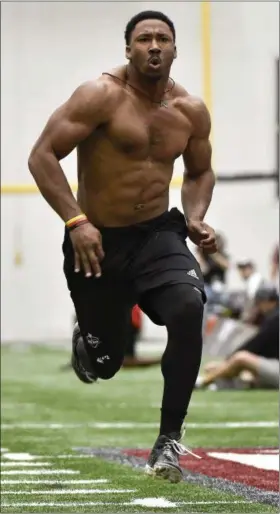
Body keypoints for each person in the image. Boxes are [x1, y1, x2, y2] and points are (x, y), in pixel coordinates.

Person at [28, 10, 217, 483]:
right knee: (107, 364)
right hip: (96, 242)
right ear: (128, 49)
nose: (154, 46)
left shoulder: (190, 111)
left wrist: (194, 217)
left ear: (175, 50)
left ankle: (168, 441)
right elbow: (42, 156)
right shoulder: (100, 96)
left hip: (157, 234)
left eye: (163, 39)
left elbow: (198, 170)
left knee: (188, 306)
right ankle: (89, 346)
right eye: (144, 39)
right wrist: (76, 221)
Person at [196, 286, 279, 389]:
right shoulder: (273, 317)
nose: (258, 307)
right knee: (240, 372)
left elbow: (256, 344)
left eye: (259, 303)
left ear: (269, 302)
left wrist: (227, 361)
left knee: (241, 358)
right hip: (274, 365)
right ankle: (217, 385)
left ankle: (202, 382)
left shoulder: (276, 319)